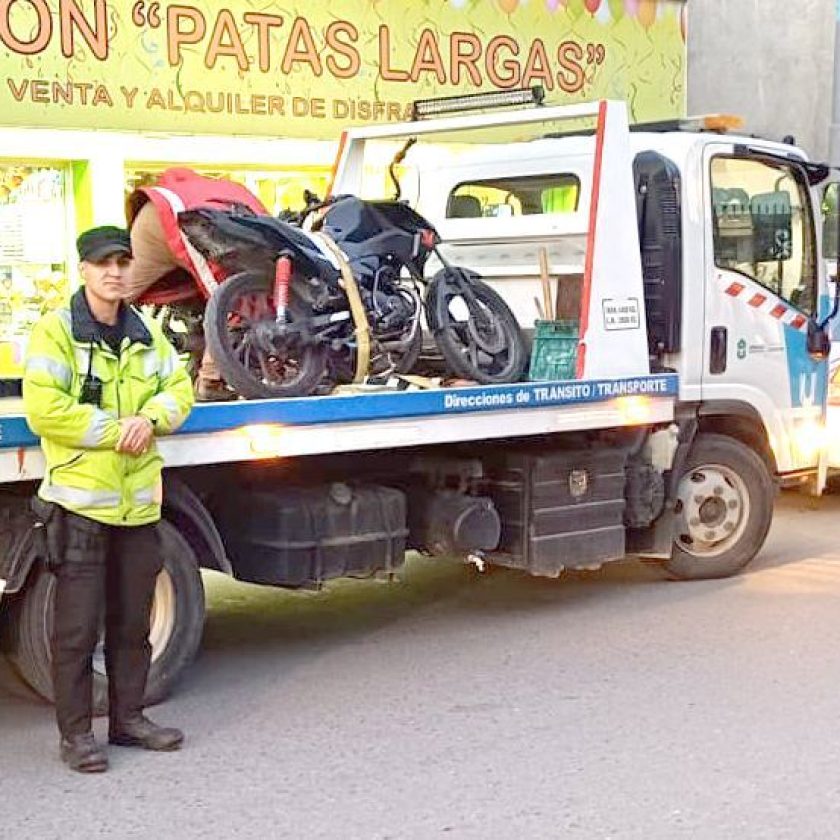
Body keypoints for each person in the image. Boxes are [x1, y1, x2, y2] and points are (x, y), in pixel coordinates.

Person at [22, 226, 195, 773]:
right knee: (75, 630)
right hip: (81, 508)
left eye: (123, 261)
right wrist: (113, 429)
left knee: (132, 625)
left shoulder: (144, 332)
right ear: (83, 270)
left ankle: (128, 721)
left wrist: (151, 419)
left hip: (138, 508)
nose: (115, 271)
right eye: (103, 263)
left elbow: (181, 388)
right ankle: (76, 736)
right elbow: (44, 409)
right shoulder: (55, 333)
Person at [125, 167, 268, 401]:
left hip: (151, 219)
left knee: (118, 294)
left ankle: (78, 329)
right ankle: (210, 380)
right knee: (229, 299)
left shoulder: (197, 190)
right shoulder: (232, 193)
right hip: (182, 221)